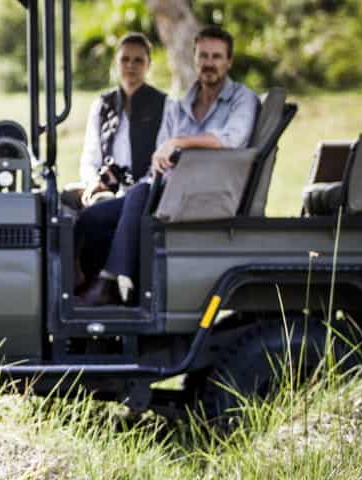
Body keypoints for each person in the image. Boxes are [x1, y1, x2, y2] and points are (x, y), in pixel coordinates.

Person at [75, 25, 259, 306]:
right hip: (170, 189)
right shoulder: (180, 105)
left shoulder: (242, 98)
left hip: (213, 191)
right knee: (91, 218)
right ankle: (108, 294)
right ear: (195, 59)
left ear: (229, 61)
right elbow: (159, 156)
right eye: (203, 56)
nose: (209, 63)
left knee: (138, 194)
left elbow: (232, 140)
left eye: (217, 57)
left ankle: (110, 283)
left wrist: (180, 143)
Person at [64, 33, 166, 210]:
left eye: (138, 60)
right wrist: (95, 181)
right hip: (105, 187)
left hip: (144, 192)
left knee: (97, 213)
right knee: (63, 197)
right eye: (125, 59)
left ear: (148, 64)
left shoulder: (164, 105)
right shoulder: (102, 105)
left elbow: (161, 164)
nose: (130, 65)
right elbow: (90, 157)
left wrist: (135, 189)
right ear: (116, 63)